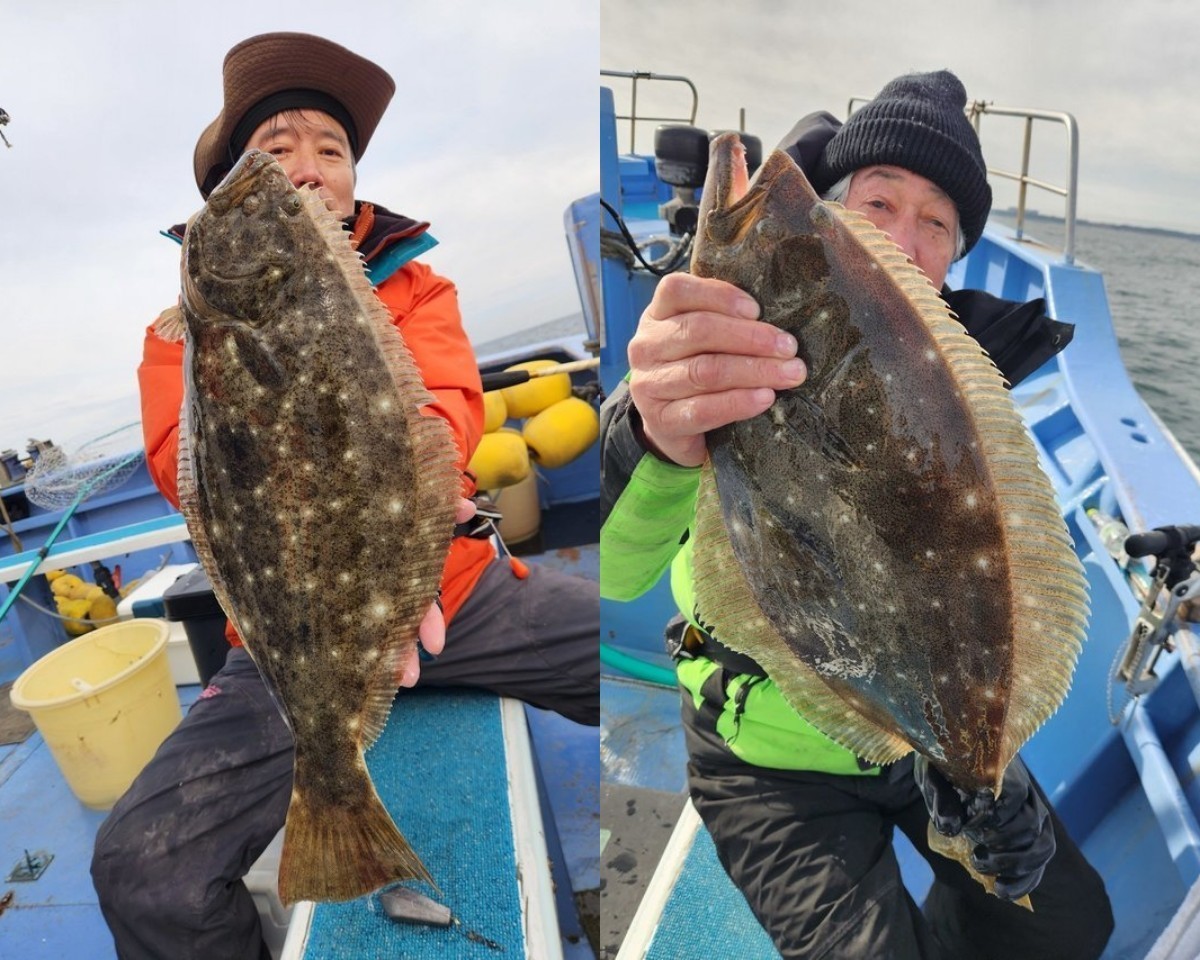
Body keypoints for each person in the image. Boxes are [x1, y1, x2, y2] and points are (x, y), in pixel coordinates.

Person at [91, 32, 599, 960]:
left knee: (640, 669)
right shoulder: (185, 333)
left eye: (331, 150)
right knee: (139, 870)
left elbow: (446, 412)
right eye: (274, 151)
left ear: (353, 182)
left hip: (452, 593)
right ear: (222, 199)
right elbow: (179, 466)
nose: (307, 168)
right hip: (290, 643)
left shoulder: (414, 285)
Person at [600, 70, 1113, 959]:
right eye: (877, 202)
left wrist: (983, 771)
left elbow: (980, 592)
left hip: (923, 741)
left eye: (936, 223)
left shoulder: (965, 384)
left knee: (1069, 925)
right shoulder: (717, 355)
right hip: (768, 766)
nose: (901, 241)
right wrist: (651, 433)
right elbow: (610, 571)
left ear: (956, 257)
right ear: (833, 212)